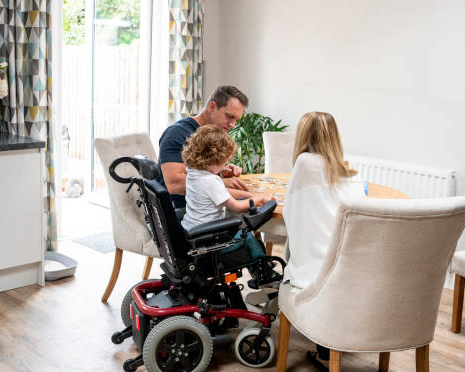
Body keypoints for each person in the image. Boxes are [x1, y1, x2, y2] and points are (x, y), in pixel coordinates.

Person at [180, 124, 280, 285]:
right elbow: (237, 207)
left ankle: (261, 271)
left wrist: (225, 173)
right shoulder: (212, 181)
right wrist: (259, 199)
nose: (225, 164)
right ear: (213, 158)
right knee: (247, 236)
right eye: (223, 161)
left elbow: (220, 192)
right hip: (208, 242)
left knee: (243, 234)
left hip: (191, 234)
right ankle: (263, 273)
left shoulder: (192, 172)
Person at [283, 111, 367, 290]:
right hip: (347, 267)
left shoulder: (304, 162)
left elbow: (290, 209)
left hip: (314, 270)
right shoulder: (349, 172)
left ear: (303, 136)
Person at [157, 85, 251, 208]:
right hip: (183, 215)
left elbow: (194, 173)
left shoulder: (212, 135)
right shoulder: (176, 134)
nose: (233, 125)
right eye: (229, 116)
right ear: (212, 107)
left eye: (236, 120)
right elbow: (174, 185)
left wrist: (220, 172)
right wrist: (220, 183)